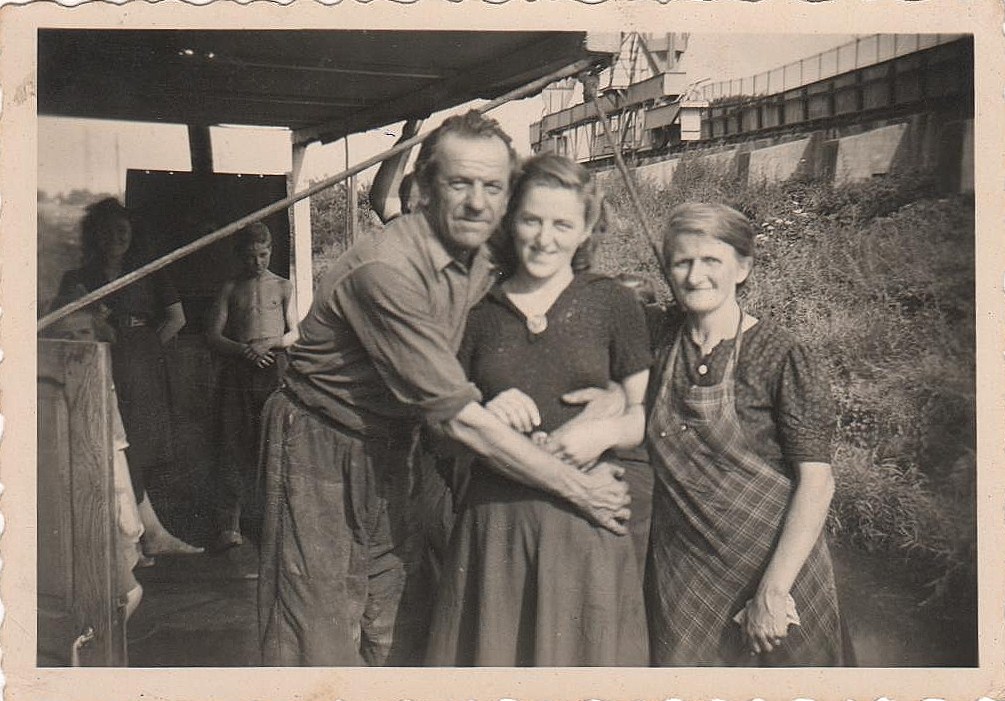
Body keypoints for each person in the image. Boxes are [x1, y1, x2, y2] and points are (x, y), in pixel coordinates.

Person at [257, 111, 631, 667]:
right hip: (322, 444)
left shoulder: (485, 246)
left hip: (398, 445)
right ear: (427, 190)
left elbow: (574, 283)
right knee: (316, 636)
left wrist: (617, 397)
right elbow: (456, 417)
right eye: (460, 184)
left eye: (492, 187)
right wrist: (581, 489)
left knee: (404, 621)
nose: (477, 203)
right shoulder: (386, 272)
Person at [425, 153, 652, 666]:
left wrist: (603, 432)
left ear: (586, 229)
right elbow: (440, 431)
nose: (545, 238)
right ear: (511, 220)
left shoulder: (612, 302)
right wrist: (485, 405)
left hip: (585, 518)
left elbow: (644, 415)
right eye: (532, 220)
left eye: (562, 224)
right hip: (496, 527)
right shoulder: (477, 310)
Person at [645, 202, 845, 666]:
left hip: (778, 572)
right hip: (686, 579)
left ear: (742, 267)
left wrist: (774, 591)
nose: (695, 276)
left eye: (711, 261)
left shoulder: (781, 354)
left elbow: (817, 482)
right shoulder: (657, 341)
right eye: (682, 262)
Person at [56, 198, 203, 557]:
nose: (115, 237)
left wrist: (147, 349)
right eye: (106, 231)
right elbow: (61, 322)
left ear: (133, 232)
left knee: (138, 444)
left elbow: (177, 319)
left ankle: (141, 537)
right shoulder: (78, 278)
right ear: (95, 235)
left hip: (140, 363)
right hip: (96, 361)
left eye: (121, 230)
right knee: (104, 443)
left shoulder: (149, 272)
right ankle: (135, 538)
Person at [42, 299, 145, 621]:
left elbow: (112, 434)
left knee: (115, 523)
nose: (77, 342)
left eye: (84, 333)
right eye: (67, 336)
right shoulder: (53, 382)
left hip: (105, 453)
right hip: (72, 465)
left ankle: (116, 602)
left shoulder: (99, 365)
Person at [205, 222, 298, 551]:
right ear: (239, 256)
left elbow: (295, 333)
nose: (257, 262)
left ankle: (277, 522)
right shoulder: (231, 289)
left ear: (271, 249)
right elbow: (213, 335)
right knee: (233, 442)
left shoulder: (284, 286)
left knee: (277, 441)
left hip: (274, 369)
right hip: (239, 372)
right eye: (249, 256)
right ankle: (230, 524)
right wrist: (244, 350)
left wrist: (268, 344)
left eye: (263, 255)